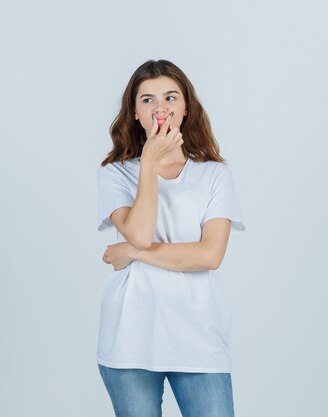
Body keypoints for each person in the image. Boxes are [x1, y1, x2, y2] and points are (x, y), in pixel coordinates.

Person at [96, 59, 246, 417]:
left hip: (198, 334)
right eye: (146, 99)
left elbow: (209, 256)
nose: (159, 107)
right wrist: (148, 162)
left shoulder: (214, 176)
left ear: (186, 108)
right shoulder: (114, 174)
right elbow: (141, 232)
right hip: (129, 336)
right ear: (134, 112)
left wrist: (131, 252)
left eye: (169, 97)